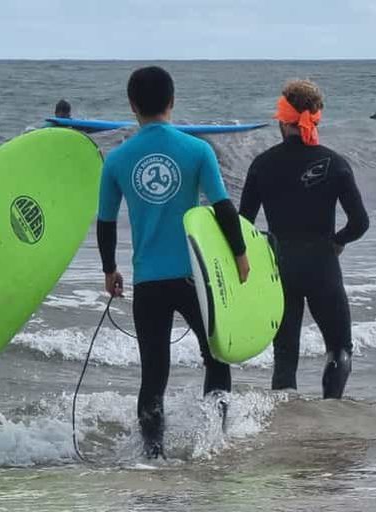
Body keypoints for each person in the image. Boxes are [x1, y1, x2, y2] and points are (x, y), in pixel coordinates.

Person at [97, 66, 249, 459]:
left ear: (132, 105)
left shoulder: (116, 160)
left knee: (154, 374)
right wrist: (240, 255)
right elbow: (222, 208)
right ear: (172, 101)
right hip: (193, 278)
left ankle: (153, 455)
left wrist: (109, 269)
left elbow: (106, 222)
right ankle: (215, 442)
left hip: (148, 282)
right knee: (215, 357)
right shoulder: (197, 150)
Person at [239, 79, 369, 399]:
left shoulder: (262, 164)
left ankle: (288, 425)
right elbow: (360, 223)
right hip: (322, 264)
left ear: (283, 120)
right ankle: (329, 413)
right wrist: (337, 242)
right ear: (315, 118)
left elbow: (243, 224)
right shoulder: (335, 163)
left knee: (285, 357)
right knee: (339, 350)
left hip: (280, 267)